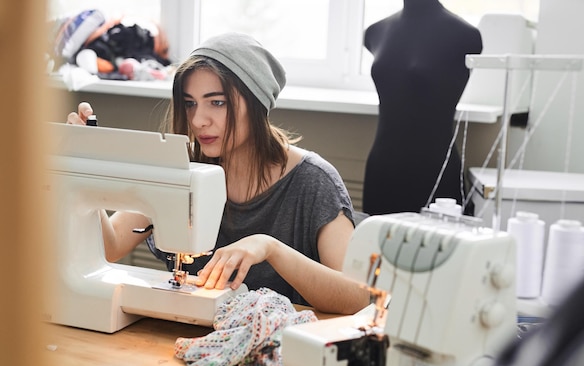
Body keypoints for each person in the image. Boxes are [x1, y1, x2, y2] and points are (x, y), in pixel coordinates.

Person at [67, 32, 370, 316]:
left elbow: (358, 297)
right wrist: (83, 165)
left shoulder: (313, 181)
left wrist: (271, 248)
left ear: (256, 102)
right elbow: (110, 245)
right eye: (190, 104)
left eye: (217, 102)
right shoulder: (181, 167)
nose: (198, 120)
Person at [361, 0, 482, 215]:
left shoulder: (465, 36)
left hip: (433, 170)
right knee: (376, 247)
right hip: (382, 171)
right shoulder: (375, 31)